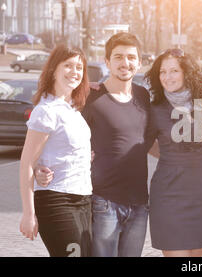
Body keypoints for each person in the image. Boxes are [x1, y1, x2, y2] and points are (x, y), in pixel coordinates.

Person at [36, 33, 154, 257]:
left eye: (131, 57)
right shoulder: (88, 96)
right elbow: (51, 128)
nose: (125, 63)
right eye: (118, 57)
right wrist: (37, 167)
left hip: (139, 204)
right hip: (103, 203)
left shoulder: (143, 96)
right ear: (107, 61)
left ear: (139, 62)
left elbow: (144, 141)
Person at [19, 44, 92, 257]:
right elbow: (26, 164)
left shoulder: (73, 110)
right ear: (54, 69)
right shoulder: (46, 111)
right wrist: (28, 213)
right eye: (68, 65)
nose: (75, 72)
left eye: (79, 67)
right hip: (57, 201)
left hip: (84, 198)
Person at [144, 48, 202, 257]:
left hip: (201, 194)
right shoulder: (154, 108)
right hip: (169, 195)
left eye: (173, 71)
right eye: (162, 72)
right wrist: (171, 154)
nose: (167, 77)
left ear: (186, 72)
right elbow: (140, 142)